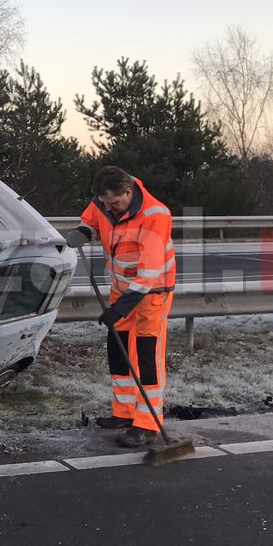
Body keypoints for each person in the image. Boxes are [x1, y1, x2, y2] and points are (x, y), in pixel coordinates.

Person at [71, 166, 176, 449]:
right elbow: (90, 219)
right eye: (105, 204)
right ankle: (124, 413)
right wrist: (83, 231)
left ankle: (147, 424)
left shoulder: (156, 216)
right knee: (119, 351)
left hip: (151, 293)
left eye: (114, 203)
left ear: (128, 192)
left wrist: (120, 308)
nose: (109, 209)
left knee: (145, 357)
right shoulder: (103, 203)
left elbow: (149, 272)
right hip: (121, 290)